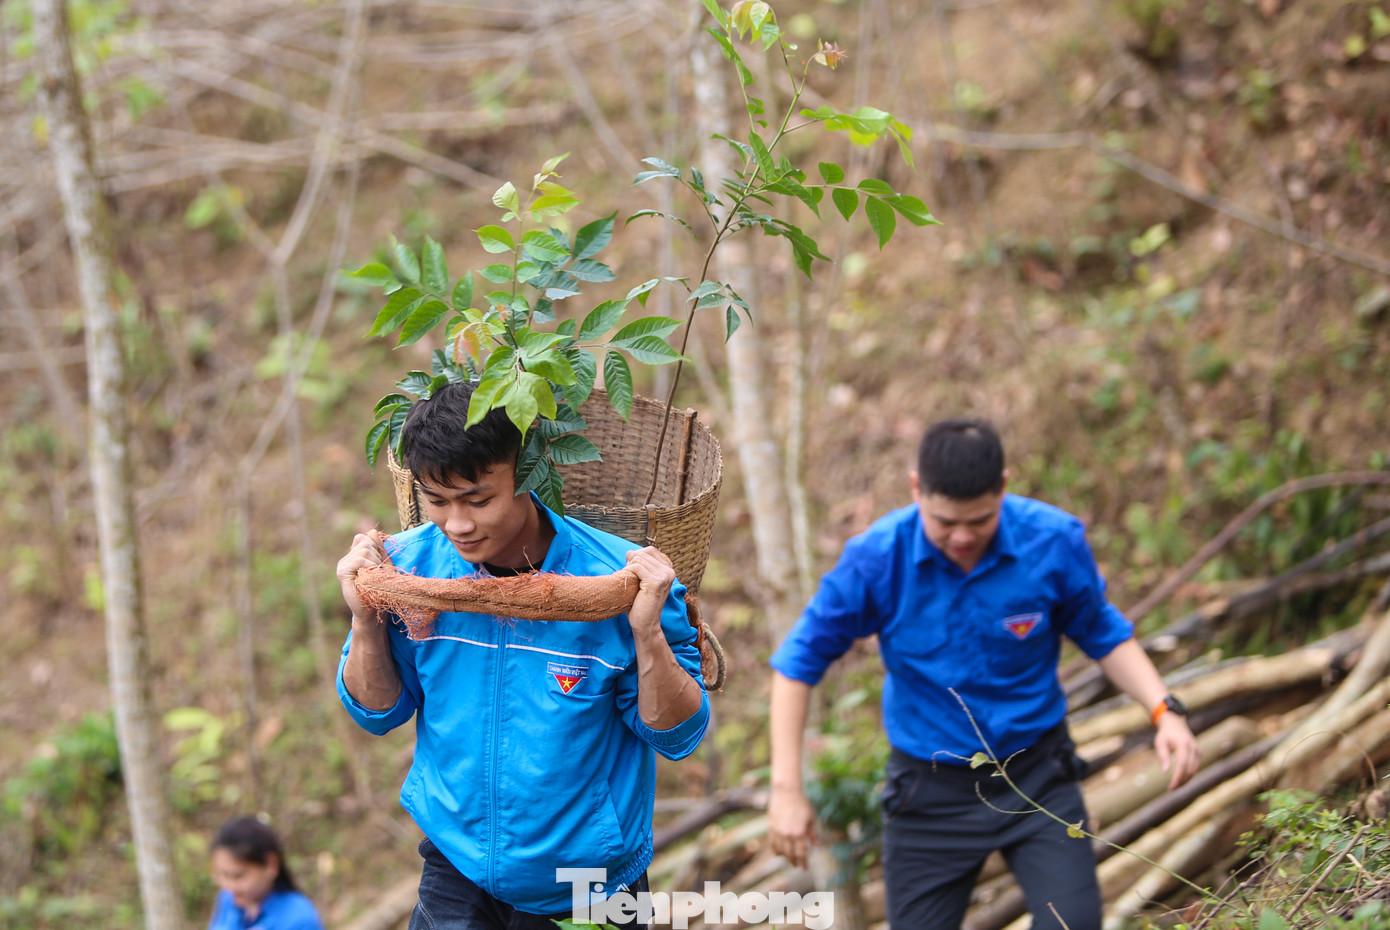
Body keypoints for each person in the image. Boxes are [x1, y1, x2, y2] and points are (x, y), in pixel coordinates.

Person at [767, 418, 1200, 930]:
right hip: (929, 793)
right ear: (916, 489)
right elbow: (798, 663)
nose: (962, 536)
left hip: (1038, 777)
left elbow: (1102, 632)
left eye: (980, 520)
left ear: (1004, 487)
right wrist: (786, 789)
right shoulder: (878, 559)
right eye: (945, 522)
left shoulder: (1051, 541)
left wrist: (1164, 710)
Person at [335, 381, 710, 930]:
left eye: (478, 500)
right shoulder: (408, 572)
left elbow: (677, 735)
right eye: (436, 500)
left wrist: (648, 632)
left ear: (530, 471)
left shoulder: (621, 581)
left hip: (589, 884)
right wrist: (365, 614)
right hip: (457, 866)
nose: (457, 524)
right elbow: (376, 712)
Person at [207, 816, 323, 930]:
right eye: (223, 875)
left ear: (271, 865)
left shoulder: (298, 919)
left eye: (238, 876)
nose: (229, 886)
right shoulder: (228, 898)